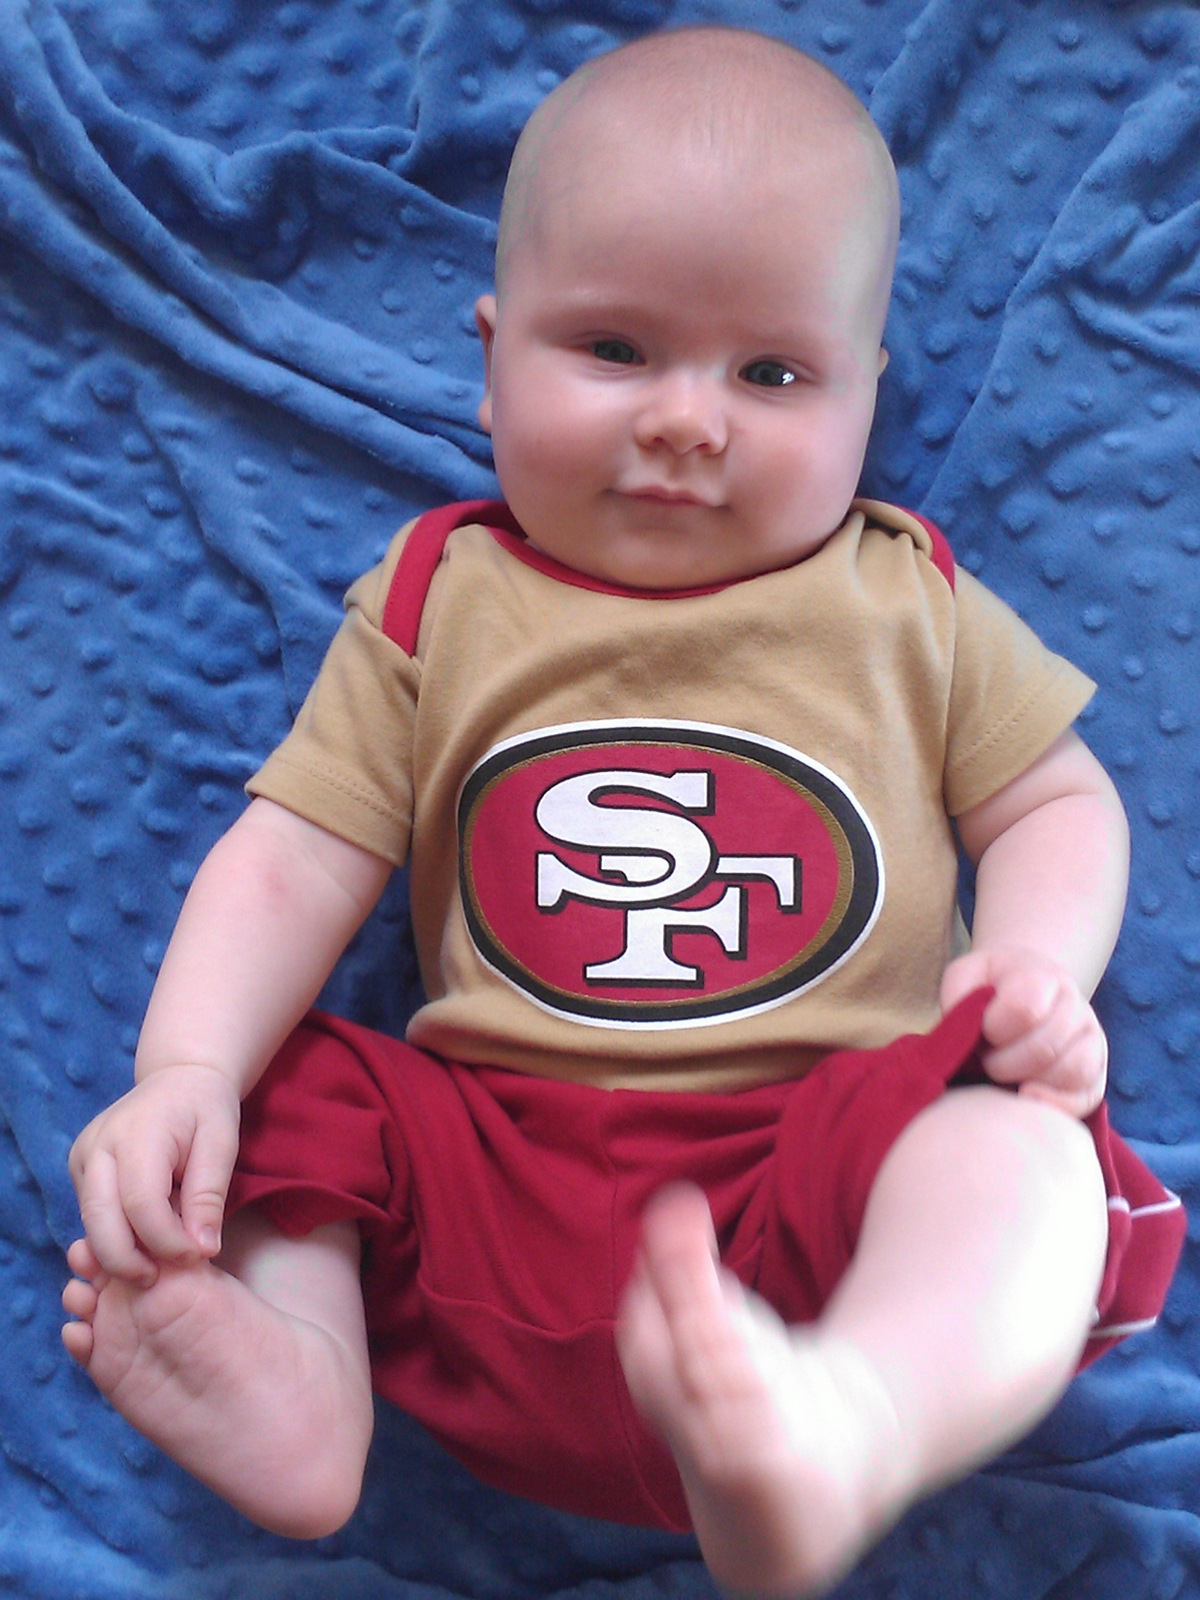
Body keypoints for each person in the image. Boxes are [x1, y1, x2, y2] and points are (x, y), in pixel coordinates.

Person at [61, 26, 1183, 1599]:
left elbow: (1057, 799)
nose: (686, 421)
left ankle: (863, 1415)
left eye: (771, 374)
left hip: (820, 1194)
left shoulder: (902, 602)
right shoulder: (440, 598)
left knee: (1019, 1145)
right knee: (295, 1083)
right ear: (491, 355)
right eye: (614, 350)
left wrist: (1035, 974)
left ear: (869, 394)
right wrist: (185, 1070)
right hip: (491, 1193)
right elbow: (294, 856)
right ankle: (306, 1384)